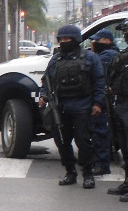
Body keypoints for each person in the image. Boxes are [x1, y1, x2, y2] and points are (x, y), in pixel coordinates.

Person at [38, 24, 104, 189]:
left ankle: (87, 173)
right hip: (61, 107)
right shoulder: (56, 59)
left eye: (67, 39)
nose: (64, 42)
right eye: (62, 39)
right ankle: (70, 171)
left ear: (75, 40)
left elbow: (99, 81)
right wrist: (43, 96)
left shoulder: (89, 57)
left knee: (83, 141)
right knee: (61, 140)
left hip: (83, 105)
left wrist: (97, 103)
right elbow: (47, 80)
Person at [90, 29, 118, 176]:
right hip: (109, 100)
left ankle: (101, 164)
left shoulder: (108, 56)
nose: (93, 43)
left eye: (97, 41)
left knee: (100, 131)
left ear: (107, 41)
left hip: (105, 100)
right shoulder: (110, 54)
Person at [106, 20, 128, 200]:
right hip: (120, 104)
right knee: (124, 145)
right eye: (125, 31)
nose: (126, 33)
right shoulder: (122, 56)